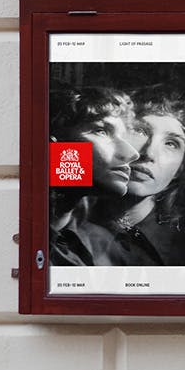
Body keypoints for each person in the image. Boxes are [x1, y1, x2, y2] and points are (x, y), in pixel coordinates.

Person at [96, 84, 185, 266]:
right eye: (139, 131)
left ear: (181, 168)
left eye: (171, 143)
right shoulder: (65, 224)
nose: (149, 153)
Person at [47, 86, 140, 266]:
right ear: (52, 143)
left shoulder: (107, 247)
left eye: (124, 137)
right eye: (101, 131)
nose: (132, 153)